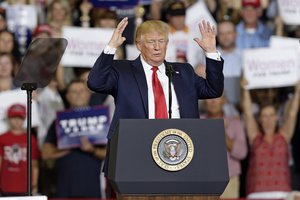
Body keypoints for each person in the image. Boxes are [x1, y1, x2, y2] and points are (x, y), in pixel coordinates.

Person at [87, 17, 224, 174]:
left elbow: (214, 90)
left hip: (179, 152)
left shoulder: (184, 71)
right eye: (151, 42)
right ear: (139, 45)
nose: (157, 47)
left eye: (161, 41)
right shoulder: (122, 70)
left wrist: (211, 52)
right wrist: (111, 47)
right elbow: (95, 83)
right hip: (134, 152)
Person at [42, 79, 106, 198]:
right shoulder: (58, 122)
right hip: (64, 189)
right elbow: (46, 154)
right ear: (67, 96)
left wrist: (92, 150)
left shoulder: (101, 120)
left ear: (88, 95)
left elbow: (110, 155)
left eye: (81, 91)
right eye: (74, 92)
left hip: (92, 189)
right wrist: (67, 147)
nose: (78, 94)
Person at [242, 80, 300, 199]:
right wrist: (244, 89)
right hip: (256, 193)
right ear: (260, 119)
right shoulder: (255, 137)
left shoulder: (284, 135)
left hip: (282, 192)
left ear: (277, 117)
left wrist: (298, 93)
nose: (268, 119)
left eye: (271, 115)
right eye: (265, 116)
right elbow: (248, 112)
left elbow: (292, 113)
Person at [202, 94, 247, 198]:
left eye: (216, 98)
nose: (213, 102)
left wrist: (221, 131)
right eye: (209, 98)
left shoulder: (235, 123)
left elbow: (242, 153)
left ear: (223, 101)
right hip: (204, 180)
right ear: (204, 102)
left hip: (230, 179)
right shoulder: (197, 122)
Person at [0, 104, 39, 196]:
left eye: (20, 118)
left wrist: (35, 183)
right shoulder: (2, 138)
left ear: (24, 119)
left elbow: (34, 164)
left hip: (25, 185)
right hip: (5, 185)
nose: (17, 121)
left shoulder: (31, 139)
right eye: (14, 117)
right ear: (9, 118)